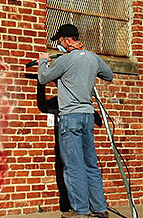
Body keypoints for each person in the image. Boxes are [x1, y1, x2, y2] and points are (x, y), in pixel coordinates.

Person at [38, 24, 113, 218]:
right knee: (90, 164)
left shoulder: (66, 60)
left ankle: (80, 211)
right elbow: (109, 75)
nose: (59, 45)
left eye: (60, 41)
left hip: (70, 117)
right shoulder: (93, 57)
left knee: (73, 166)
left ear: (68, 41)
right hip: (87, 117)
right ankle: (99, 208)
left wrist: (43, 62)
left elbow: (43, 77)